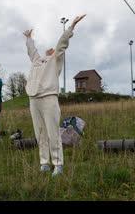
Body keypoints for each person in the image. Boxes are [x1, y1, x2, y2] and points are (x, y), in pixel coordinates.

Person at [23, 14, 86, 176]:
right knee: (40, 133)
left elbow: (61, 44)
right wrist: (29, 38)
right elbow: (32, 51)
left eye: (52, 50)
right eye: (49, 49)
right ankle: (44, 163)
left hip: (48, 98)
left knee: (52, 132)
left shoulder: (55, 60)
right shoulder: (37, 60)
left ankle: (57, 165)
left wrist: (71, 27)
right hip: (33, 99)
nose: (50, 49)